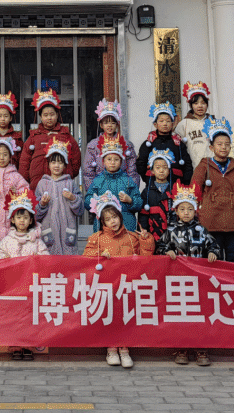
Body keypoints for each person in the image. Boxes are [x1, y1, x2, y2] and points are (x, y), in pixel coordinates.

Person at [83, 192, 154, 368]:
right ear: (102, 222)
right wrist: (100, 254)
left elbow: (145, 258)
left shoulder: (131, 237)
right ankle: (111, 348)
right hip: (107, 286)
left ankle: (124, 348)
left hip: (127, 286)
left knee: (125, 317)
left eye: (114, 217)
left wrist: (146, 241)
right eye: (108, 219)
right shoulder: (96, 238)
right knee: (109, 317)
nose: (113, 221)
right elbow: (86, 257)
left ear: (120, 217)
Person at [154, 183, 220, 366]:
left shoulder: (202, 231)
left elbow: (214, 245)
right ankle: (181, 347)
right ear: (176, 210)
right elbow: (159, 247)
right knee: (180, 313)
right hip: (178, 281)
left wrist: (213, 252)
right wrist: (166, 251)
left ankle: (201, 348)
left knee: (199, 314)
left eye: (190, 209)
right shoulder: (171, 231)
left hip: (198, 282)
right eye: (182, 209)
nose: (186, 212)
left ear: (195, 210)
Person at [0, 187, 48, 360]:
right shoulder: (6, 241)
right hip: (13, 286)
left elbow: (46, 259)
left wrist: (38, 261)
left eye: (25, 217)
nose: (22, 220)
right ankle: (15, 346)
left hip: (31, 286)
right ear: (12, 219)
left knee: (30, 315)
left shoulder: (37, 241)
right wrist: (5, 260)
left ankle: (28, 346)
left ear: (31, 219)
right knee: (14, 316)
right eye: (19, 217)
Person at [191, 118, 234, 263]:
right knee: (213, 258)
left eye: (227, 144)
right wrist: (199, 214)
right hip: (211, 219)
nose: (223, 147)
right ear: (211, 147)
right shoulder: (204, 166)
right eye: (219, 144)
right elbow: (194, 191)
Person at [20, 89, 80, 191]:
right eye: (45, 115)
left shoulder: (66, 136)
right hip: (37, 186)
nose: (49, 118)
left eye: (52, 114)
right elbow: (24, 162)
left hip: (62, 185)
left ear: (57, 115)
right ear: (40, 116)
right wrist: (30, 180)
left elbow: (76, 159)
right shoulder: (33, 137)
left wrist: (68, 173)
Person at [35, 139, 83, 255]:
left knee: (69, 260)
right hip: (48, 229)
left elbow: (80, 210)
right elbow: (35, 215)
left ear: (65, 165)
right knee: (50, 259)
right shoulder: (42, 184)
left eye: (60, 162)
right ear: (48, 164)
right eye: (53, 162)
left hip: (68, 229)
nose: (56, 166)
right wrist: (42, 204)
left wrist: (73, 198)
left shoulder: (70, 183)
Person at [85, 138, 142, 232]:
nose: (112, 162)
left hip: (126, 226)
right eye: (109, 159)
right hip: (104, 228)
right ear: (103, 161)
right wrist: (97, 200)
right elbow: (87, 202)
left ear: (121, 162)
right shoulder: (98, 181)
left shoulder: (128, 180)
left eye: (116, 159)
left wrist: (130, 200)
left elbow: (139, 203)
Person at [82, 100, 136, 189]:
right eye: (106, 122)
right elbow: (88, 172)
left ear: (117, 124)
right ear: (101, 125)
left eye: (113, 122)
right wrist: (93, 191)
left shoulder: (127, 145)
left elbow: (132, 171)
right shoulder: (93, 145)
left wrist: (131, 190)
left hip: (122, 187)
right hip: (100, 188)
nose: (109, 125)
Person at [136, 102, 192, 185]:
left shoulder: (178, 143)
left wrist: (185, 182)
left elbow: (187, 165)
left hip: (176, 185)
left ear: (172, 124)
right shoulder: (148, 143)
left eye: (168, 121)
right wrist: (148, 179)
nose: (165, 124)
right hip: (153, 185)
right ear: (155, 124)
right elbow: (141, 163)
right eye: (161, 121)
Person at [138, 149, 176, 241]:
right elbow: (143, 215)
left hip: (172, 234)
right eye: (158, 168)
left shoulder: (175, 190)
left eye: (165, 168)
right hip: (153, 233)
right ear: (152, 171)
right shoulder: (147, 192)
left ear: (169, 170)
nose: (161, 171)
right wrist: (143, 230)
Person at [175, 81, 213, 168]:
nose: (200, 106)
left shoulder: (213, 123)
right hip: (192, 167)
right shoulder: (184, 124)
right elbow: (178, 148)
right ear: (191, 105)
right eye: (196, 103)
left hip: (212, 167)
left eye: (203, 103)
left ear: (207, 105)